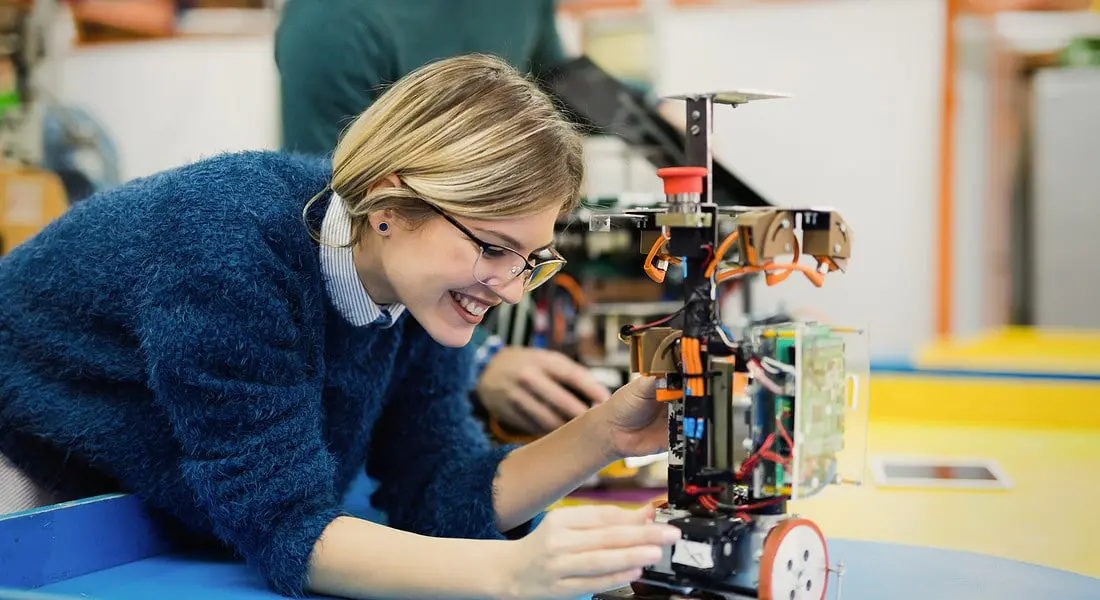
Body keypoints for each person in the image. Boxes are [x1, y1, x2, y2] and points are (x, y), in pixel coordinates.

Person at [0, 54, 679, 599]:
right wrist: (510, 576)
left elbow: (438, 490)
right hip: (26, 462)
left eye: (531, 259)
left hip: (142, 495)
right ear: (389, 202)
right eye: (493, 249)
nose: (507, 286)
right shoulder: (230, 252)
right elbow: (287, 529)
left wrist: (603, 434)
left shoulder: (419, 286)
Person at [273, 0, 611, 437]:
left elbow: (564, 81)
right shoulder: (333, 20)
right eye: (493, 246)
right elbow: (342, 211)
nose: (514, 293)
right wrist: (481, 359)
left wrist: (660, 123)